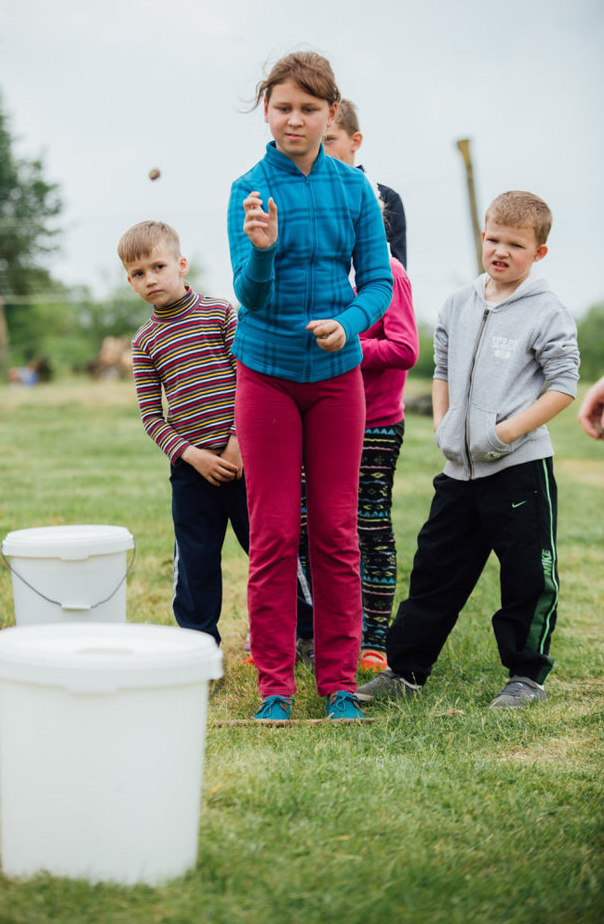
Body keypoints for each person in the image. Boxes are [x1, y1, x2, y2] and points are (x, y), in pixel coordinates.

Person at [357, 190, 580, 709]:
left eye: (516, 245)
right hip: (459, 472)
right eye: (493, 239)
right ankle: (404, 670)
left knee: (527, 573)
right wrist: (444, 425)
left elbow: (563, 386)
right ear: (483, 237)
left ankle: (526, 676)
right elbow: (439, 370)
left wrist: (504, 435)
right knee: (434, 570)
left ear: (538, 253)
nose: (501, 252)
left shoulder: (546, 312)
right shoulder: (458, 303)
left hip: (519, 469)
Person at [228, 51, 394, 721]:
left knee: (334, 530)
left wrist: (350, 323)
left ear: (331, 113)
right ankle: (275, 684)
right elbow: (248, 294)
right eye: (283, 107)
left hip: (334, 381)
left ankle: (339, 683)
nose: (294, 119)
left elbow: (378, 282)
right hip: (264, 375)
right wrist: (262, 248)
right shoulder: (249, 188)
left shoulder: (354, 190)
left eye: (308, 108)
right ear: (266, 111)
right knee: (271, 532)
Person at [296, 107, 420, 674]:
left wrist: (347, 346)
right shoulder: (319, 277)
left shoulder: (389, 274)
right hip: (316, 415)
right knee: (310, 527)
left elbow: (403, 348)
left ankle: (375, 638)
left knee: (368, 526)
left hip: (374, 419)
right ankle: (324, 632)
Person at [118, 220, 249, 645]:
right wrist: (191, 455)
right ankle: (198, 648)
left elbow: (249, 381)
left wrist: (236, 442)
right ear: (130, 281)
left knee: (274, 551)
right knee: (195, 562)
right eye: (138, 273)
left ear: (181, 264)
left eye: (158, 266)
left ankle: (304, 635)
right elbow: (152, 417)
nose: (150, 279)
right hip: (192, 471)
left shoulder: (221, 313)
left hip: (246, 460)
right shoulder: (145, 341)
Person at [323, 99, 407, 268]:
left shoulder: (387, 198)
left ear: (355, 141)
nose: (322, 150)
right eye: (316, 142)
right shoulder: (302, 194)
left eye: (329, 139)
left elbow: (396, 275)